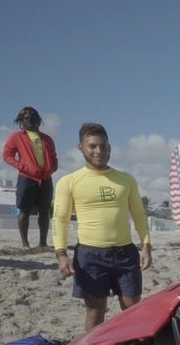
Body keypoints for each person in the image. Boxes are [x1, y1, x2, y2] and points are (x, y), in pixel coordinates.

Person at [52, 123, 152, 332]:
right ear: (81, 147)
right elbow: (60, 219)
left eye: (104, 146)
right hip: (90, 255)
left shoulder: (126, 180)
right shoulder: (69, 181)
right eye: (93, 146)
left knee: (134, 308)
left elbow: (139, 215)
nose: (99, 151)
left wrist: (146, 246)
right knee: (95, 311)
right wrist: (61, 254)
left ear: (110, 147)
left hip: (126, 252)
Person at [2, 106, 58, 248]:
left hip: (45, 179)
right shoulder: (17, 137)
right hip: (26, 178)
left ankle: (43, 243)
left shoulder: (47, 139)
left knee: (44, 211)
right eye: (26, 119)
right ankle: (25, 243)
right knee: (24, 210)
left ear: (39, 120)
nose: (31, 121)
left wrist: (52, 168)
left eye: (33, 118)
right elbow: (7, 155)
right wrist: (23, 167)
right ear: (22, 121)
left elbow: (54, 157)